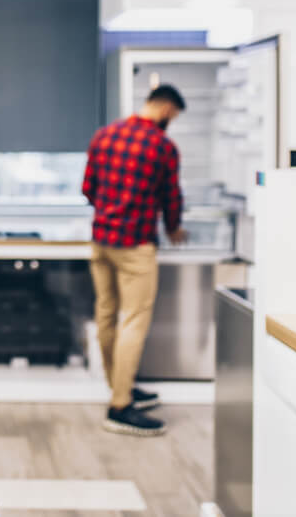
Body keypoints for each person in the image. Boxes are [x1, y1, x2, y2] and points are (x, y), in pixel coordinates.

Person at [81, 84, 188, 437]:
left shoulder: (106, 135)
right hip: (136, 244)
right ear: (167, 108)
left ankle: (119, 387)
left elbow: (88, 189)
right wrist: (174, 227)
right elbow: (171, 197)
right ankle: (120, 406)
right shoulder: (162, 146)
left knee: (107, 315)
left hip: (102, 240)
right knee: (134, 321)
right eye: (173, 115)